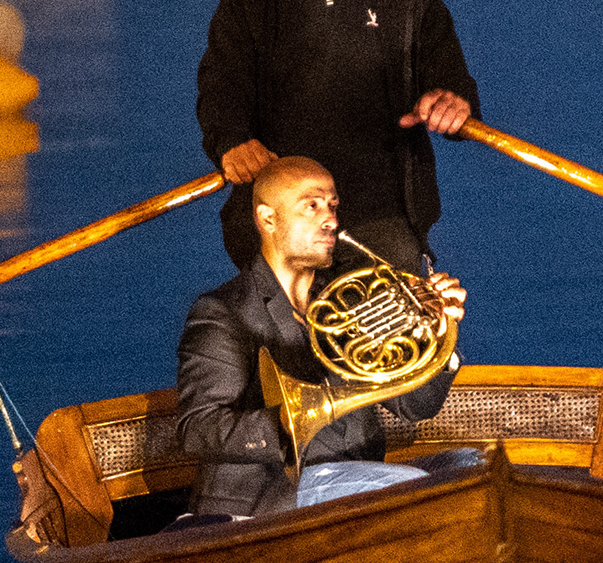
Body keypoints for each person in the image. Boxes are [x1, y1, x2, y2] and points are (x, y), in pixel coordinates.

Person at [195, 0, 480, 272]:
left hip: (385, 220)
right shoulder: (247, 3)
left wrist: (454, 103)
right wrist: (231, 142)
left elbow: (454, 84)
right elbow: (220, 96)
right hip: (285, 226)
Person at [173, 155, 468, 523]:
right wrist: (293, 421)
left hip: (354, 477)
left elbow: (415, 407)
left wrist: (440, 332)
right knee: (411, 489)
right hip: (271, 493)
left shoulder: (349, 303)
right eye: (311, 206)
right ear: (267, 218)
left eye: (332, 206)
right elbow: (198, 428)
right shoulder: (223, 310)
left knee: (473, 466)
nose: (330, 220)